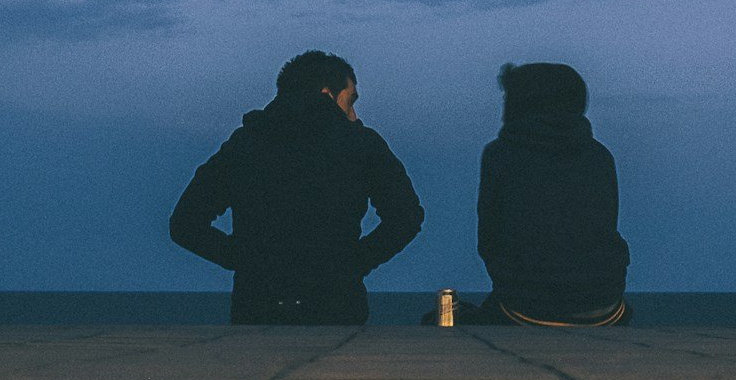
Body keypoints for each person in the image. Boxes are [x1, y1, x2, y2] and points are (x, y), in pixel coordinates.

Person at [170, 50, 425, 324]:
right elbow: (407, 217)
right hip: (336, 308)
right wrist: (352, 264)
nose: (354, 114)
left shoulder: (246, 144)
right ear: (327, 93)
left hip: (257, 308)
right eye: (350, 102)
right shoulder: (360, 143)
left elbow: (185, 223)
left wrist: (247, 260)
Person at [454, 61, 631, 326]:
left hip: (528, 304)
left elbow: (489, 237)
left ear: (523, 103)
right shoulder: (599, 155)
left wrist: (512, 279)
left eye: (508, 99)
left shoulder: (501, 154)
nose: (503, 109)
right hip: (604, 304)